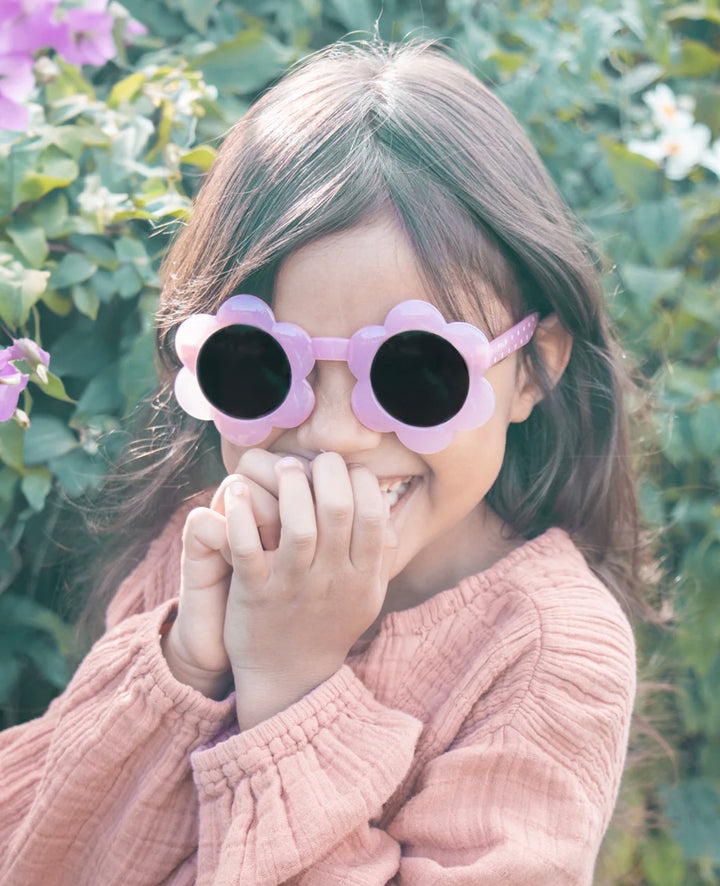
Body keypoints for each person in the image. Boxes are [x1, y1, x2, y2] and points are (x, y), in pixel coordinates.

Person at [0, 39, 641, 885]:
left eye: (418, 373)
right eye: (260, 366)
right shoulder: (212, 544)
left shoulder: (549, 654)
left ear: (535, 368)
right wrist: (186, 663)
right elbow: (43, 855)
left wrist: (291, 686)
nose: (335, 436)